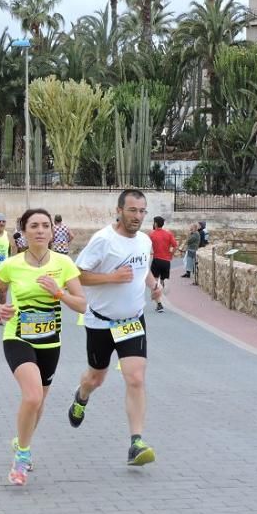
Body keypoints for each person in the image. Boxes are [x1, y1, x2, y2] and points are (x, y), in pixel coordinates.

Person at [0, 208, 87, 485]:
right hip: (17, 337)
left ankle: (22, 440)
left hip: (50, 341)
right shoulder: (12, 264)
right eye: (34, 226)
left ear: (53, 232)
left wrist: (59, 292)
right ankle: (22, 456)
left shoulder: (64, 263)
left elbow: (81, 304)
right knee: (32, 397)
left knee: (39, 401)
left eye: (45, 226)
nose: (40, 230)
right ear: (23, 232)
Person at [67, 189, 163, 466]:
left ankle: (136, 443)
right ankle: (81, 396)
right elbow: (78, 275)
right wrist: (111, 277)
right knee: (96, 378)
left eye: (142, 211)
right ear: (119, 210)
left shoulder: (144, 241)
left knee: (135, 378)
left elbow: (143, 269)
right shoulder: (103, 240)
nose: (138, 216)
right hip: (100, 322)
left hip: (133, 321)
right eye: (132, 210)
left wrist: (154, 286)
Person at [148, 216, 177, 313]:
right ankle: (162, 286)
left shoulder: (152, 234)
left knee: (154, 283)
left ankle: (159, 304)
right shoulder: (168, 234)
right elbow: (175, 245)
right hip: (166, 261)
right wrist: (171, 255)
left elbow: (147, 247)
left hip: (156, 260)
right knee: (163, 280)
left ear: (155, 223)